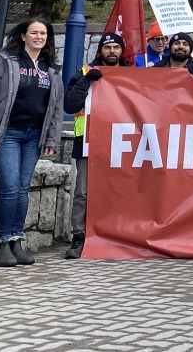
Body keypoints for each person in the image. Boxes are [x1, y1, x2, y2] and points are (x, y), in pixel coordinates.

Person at [0, 18, 63, 267]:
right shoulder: (6, 61)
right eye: (34, 32)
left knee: (23, 188)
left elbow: (56, 109)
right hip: (7, 135)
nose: (39, 37)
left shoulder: (51, 69)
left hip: (34, 136)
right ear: (24, 36)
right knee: (11, 187)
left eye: (43, 33)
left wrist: (52, 139)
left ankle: (17, 239)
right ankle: (3, 241)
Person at [62, 33, 130, 259]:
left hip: (124, 142)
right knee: (83, 191)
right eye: (107, 47)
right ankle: (79, 235)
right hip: (89, 141)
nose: (112, 51)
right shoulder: (83, 73)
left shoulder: (134, 73)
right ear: (100, 51)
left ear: (122, 51)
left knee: (122, 189)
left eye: (116, 48)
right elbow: (70, 105)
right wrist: (85, 81)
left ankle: (117, 234)